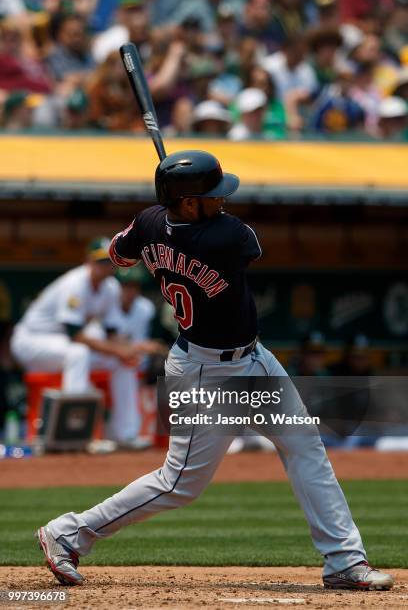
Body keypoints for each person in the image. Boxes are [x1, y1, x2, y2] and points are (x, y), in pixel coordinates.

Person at [36, 150, 394, 592]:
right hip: (205, 372)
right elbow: (251, 245)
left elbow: (118, 253)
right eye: (212, 195)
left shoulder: (150, 221)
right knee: (180, 484)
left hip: (252, 359)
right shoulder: (227, 236)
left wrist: (163, 225)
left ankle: (344, 560)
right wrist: (179, 223)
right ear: (189, 202)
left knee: (305, 445)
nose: (222, 201)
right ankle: (68, 532)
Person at [10, 237, 153, 443]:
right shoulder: (75, 283)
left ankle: (126, 434)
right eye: (100, 261)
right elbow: (74, 334)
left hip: (60, 344)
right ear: (88, 261)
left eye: (109, 262)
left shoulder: (111, 288)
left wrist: (129, 350)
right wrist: (118, 349)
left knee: (124, 362)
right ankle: (71, 434)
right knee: (79, 353)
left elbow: (112, 332)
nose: (105, 267)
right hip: (31, 342)